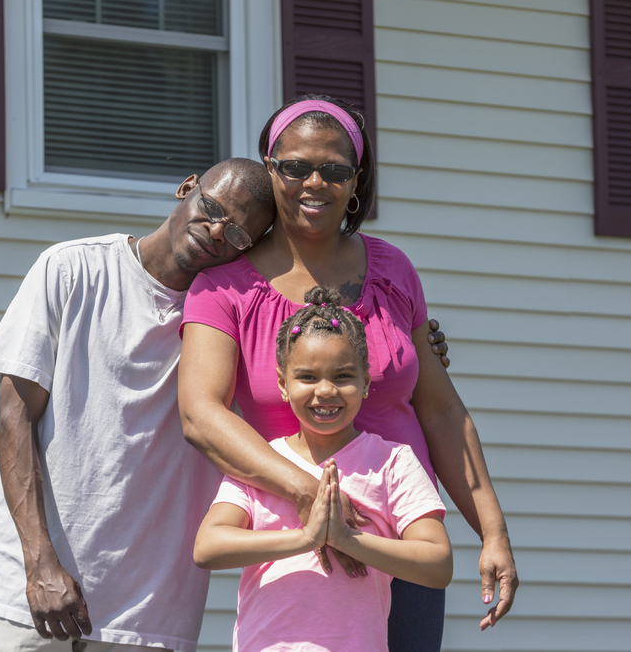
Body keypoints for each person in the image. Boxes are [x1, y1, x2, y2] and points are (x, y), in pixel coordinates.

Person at [179, 94, 518, 651]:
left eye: (333, 170)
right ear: (271, 169)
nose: (314, 183)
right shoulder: (224, 288)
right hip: (295, 545)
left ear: (356, 181)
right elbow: (200, 414)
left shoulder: (393, 271)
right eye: (294, 167)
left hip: (402, 536)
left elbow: (440, 410)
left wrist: (493, 532)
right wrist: (315, 500)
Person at [0, 159, 277, 652]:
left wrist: (421, 349)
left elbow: (326, 371)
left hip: (153, 615)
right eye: (212, 208)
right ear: (186, 188)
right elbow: (15, 419)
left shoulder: (235, 320)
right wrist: (39, 562)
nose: (216, 231)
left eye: (239, 233)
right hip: (34, 597)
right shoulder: (71, 268)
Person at [193, 287, 453, 652]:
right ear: (284, 385)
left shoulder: (393, 462)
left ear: (365, 383)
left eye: (343, 376)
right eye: (308, 377)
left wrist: (348, 539)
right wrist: (306, 538)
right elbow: (207, 548)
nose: (326, 390)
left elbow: (438, 564)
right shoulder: (261, 464)